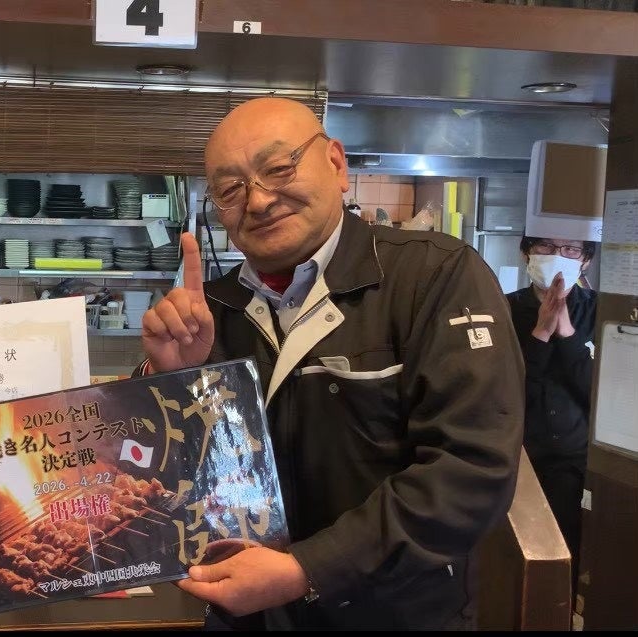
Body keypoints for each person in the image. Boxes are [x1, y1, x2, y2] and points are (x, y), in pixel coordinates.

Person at [140, 98, 525, 630]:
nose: (258, 200)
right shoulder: (210, 311)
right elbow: (163, 481)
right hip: (243, 617)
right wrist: (173, 380)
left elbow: (471, 470)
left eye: (279, 168)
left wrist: (307, 568)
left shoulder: (434, 277)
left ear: (337, 165)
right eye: (230, 189)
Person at [506, 235, 598, 599]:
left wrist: (567, 333)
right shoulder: (504, 308)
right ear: (526, 252)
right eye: (545, 246)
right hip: (518, 458)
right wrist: (541, 334)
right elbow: (506, 394)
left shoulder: (599, 310)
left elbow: (600, 395)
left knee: (567, 550)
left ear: (585, 260)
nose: (558, 256)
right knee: (515, 555)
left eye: (571, 249)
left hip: (574, 459)